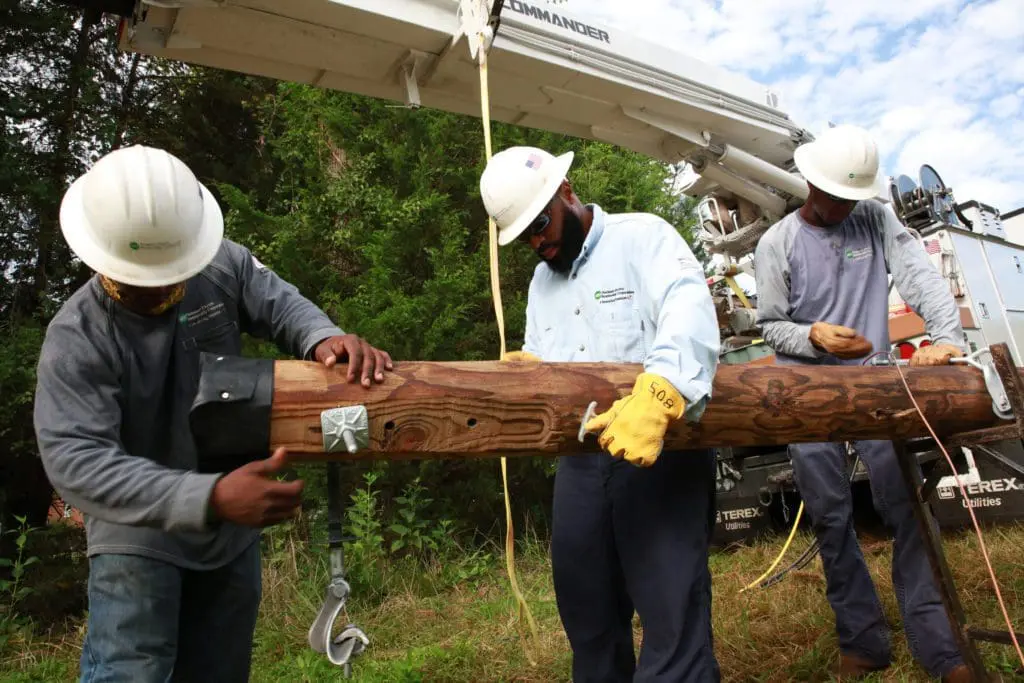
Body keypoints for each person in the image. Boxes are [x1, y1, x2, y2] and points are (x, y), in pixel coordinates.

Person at [33, 145, 393, 683]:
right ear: (101, 258)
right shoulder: (77, 336)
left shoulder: (216, 265)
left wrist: (323, 338)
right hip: (138, 541)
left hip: (229, 538)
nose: (162, 287)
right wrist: (210, 497)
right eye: (143, 279)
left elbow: (278, 301)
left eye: (172, 273)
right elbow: (77, 461)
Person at [480, 146, 722, 682]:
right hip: (583, 462)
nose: (538, 241)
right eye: (525, 237)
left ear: (567, 192)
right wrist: (534, 376)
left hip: (659, 451)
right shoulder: (542, 284)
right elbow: (546, 352)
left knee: (671, 613)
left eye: (541, 224)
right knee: (588, 618)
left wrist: (662, 388)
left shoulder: (642, 237)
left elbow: (688, 306)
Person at [753, 124, 970, 682]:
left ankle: (941, 649)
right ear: (808, 181)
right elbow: (771, 327)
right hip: (808, 394)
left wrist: (947, 340)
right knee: (830, 516)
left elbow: (920, 278)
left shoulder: (875, 219)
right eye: (831, 195)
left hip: (874, 385)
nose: (841, 206)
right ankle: (863, 642)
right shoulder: (775, 243)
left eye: (850, 197)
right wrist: (813, 338)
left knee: (908, 511)